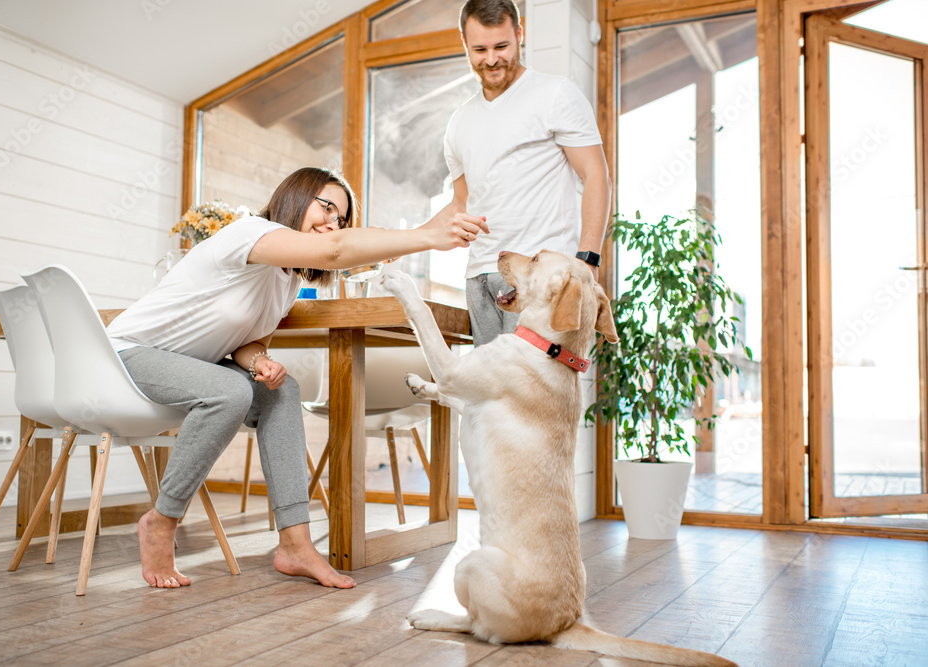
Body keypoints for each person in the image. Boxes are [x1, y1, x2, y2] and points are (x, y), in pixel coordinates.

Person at [106, 166, 488, 590]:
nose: (332, 223)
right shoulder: (249, 232)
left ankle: (295, 544)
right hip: (125, 355)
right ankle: (161, 521)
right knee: (229, 390)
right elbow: (336, 251)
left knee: (281, 390)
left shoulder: (285, 281)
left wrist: (259, 363)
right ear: (295, 196)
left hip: (194, 369)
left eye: (341, 219)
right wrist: (429, 237)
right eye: (326, 207)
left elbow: (248, 344)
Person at [432, 0, 612, 346]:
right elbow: (461, 205)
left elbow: (596, 176)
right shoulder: (459, 122)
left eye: (501, 46)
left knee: (536, 395)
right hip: (479, 277)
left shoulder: (555, 95)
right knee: (490, 398)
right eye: (480, 49)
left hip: (540, 278)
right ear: (464, 44)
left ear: (519, 34)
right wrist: (401, 243)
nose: (491, 59)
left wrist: (587, 261)